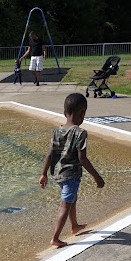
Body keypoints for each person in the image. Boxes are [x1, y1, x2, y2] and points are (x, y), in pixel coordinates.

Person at [39, 92, 105, 248]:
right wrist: (97, 177)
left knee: (72, 198)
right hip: (71, 175)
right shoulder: (80, 133)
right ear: (82, 113)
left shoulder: (57, 131)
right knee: (65, 204)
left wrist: (43, 174)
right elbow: (82, 159)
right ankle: (55, 238)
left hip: (57, 174)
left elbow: (49, 153)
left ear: (64, 113)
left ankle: (74, 226)